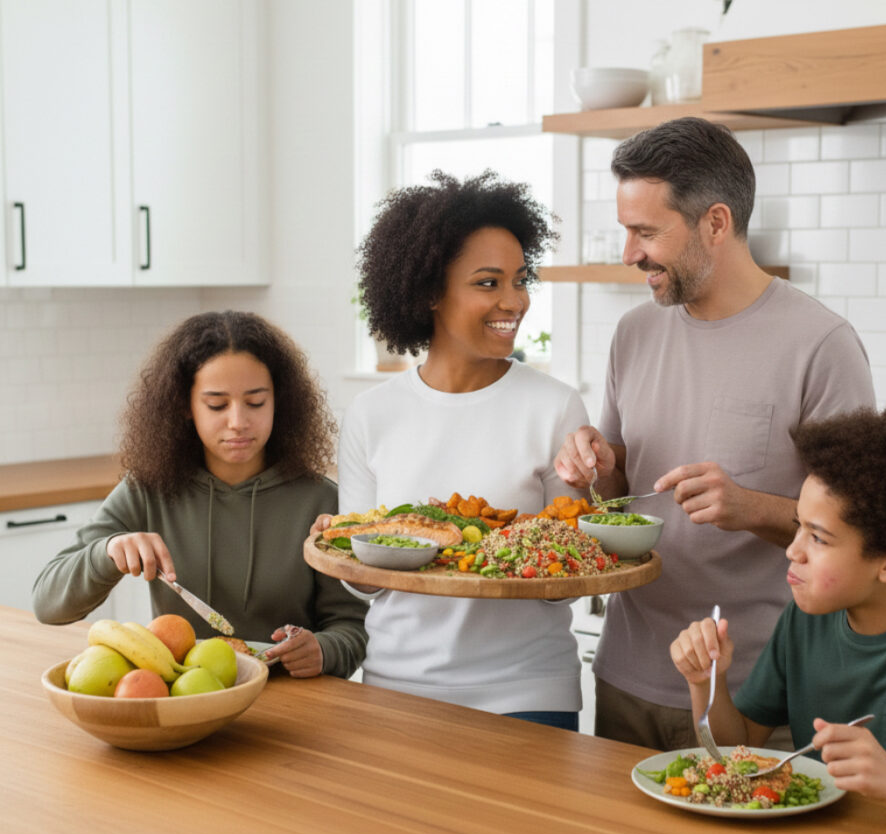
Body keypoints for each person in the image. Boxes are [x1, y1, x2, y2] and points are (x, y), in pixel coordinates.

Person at [554, 116, 876, 750]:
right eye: (626, 230)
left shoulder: (821, 345)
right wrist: (598, 465)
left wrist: (748, 507)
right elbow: (619, 498)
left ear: (717, 223)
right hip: (627, 676)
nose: (629, 254)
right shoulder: (635, 333)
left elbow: (860, 531)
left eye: (646, 232)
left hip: (755, 695)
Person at [669, 406, 886, 825]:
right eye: (798, 526)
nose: (792, 550)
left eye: (818, 538)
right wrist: (706, 682)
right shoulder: (803, 622)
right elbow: (741, 746)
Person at [324, 169, 588, 729]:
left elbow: (564, 584)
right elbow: (364, 585)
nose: (513, 301)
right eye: (488, 283)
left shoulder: (556, 408)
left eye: (520, 280)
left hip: (528, 683)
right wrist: (344, 542)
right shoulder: (373, 415)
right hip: (399, 682)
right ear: (428, 293)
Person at [33, 311, 368, 679]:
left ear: (279, 402)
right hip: (183, 704)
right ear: (185, 406)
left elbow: (352, 627)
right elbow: (49, 604)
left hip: (292, 706)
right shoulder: (149, 488)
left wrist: (324, 650)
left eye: (255, 402)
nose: (238, 421)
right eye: (217, 405)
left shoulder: (320, 501)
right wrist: (107, 551)